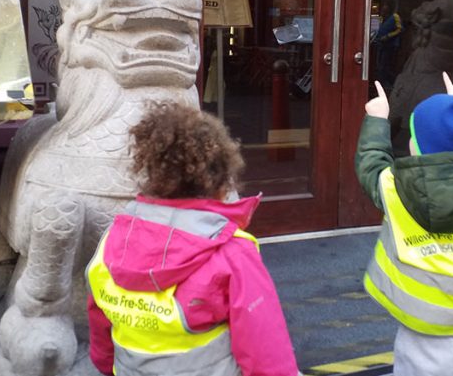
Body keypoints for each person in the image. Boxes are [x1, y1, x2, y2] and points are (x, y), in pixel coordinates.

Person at [86, 101, 299, 376]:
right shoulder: (232, 252)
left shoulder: (112, 242)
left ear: (153, 174)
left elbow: (101, 335)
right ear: (221, 183)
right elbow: (267, 356)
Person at [355, 73, 453, 376]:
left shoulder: (394, 187)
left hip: (423, 323)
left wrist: (378, 119)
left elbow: (371, 162)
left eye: (415, 138)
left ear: (419, 149)